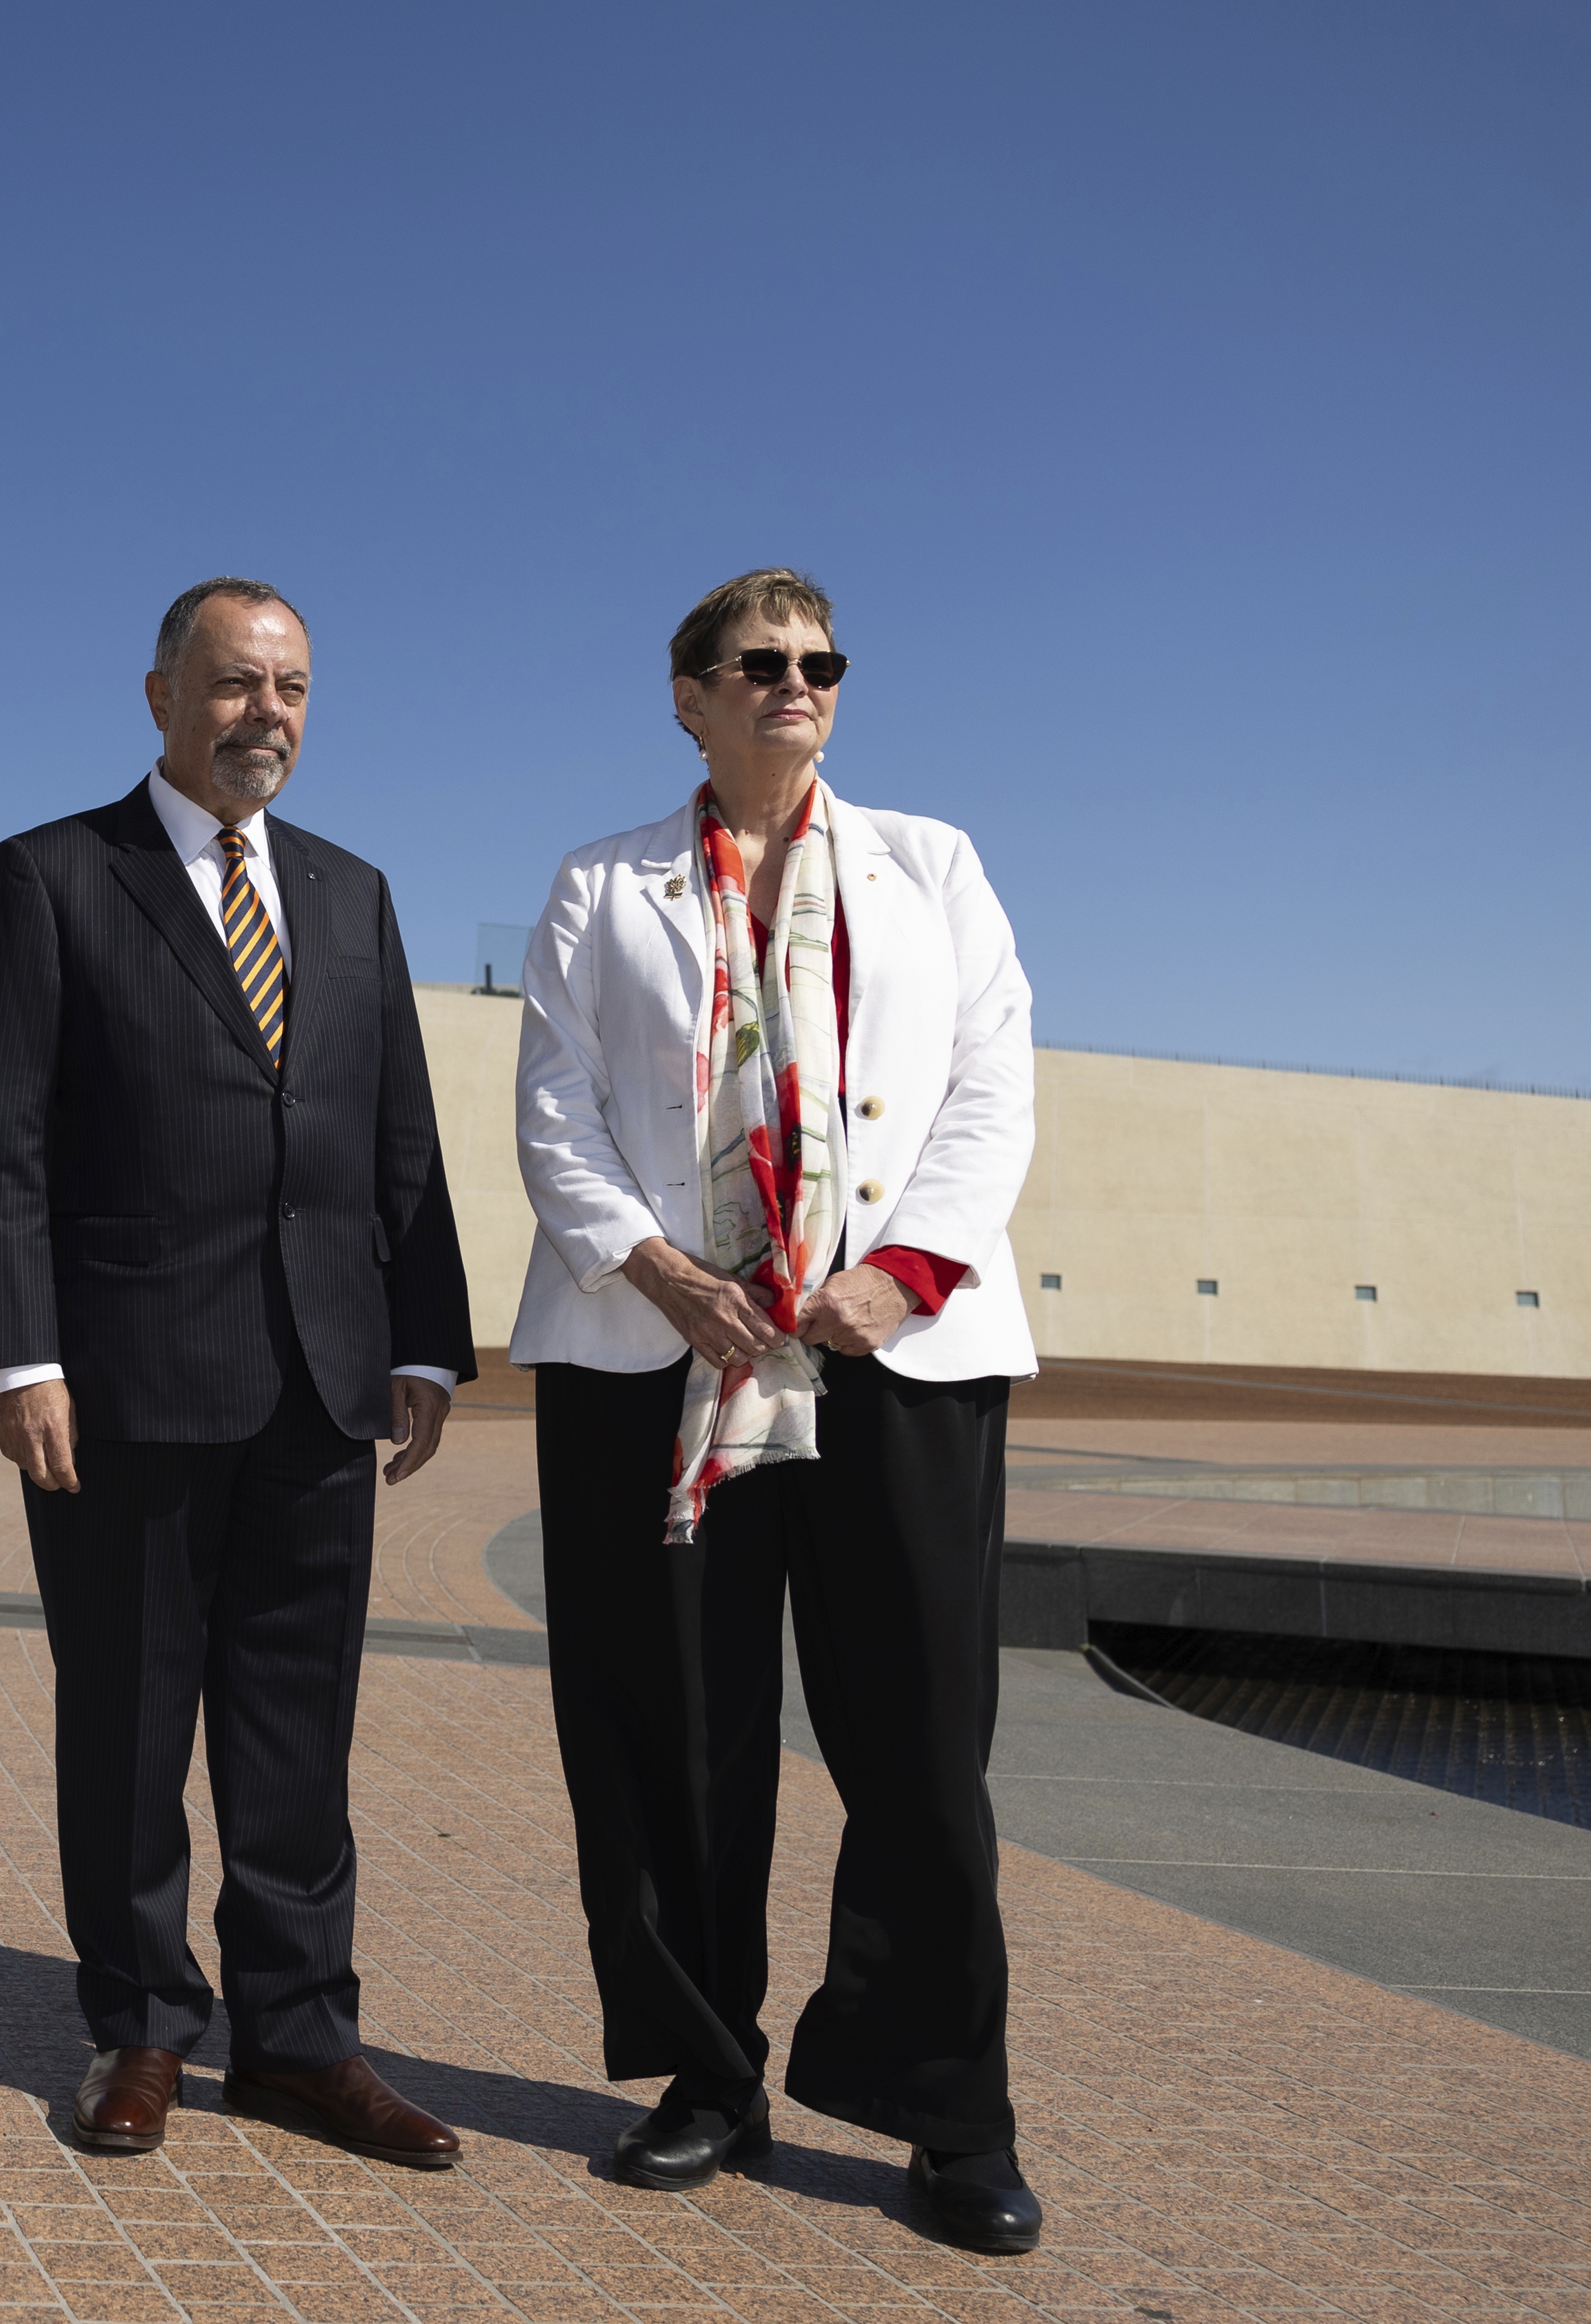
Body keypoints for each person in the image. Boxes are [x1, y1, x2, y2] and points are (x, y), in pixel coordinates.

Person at [510, 568, 1041, 2255]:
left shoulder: (932, 864)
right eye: (757, 661)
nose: (793, 682)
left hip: (892, 1354)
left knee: (922, 1744)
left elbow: (991, 1082)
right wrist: (664, 1273)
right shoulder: (601, 886)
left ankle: (947, 2109)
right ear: (690, 696)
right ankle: (705, 2072)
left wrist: (902, 1275)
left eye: (819, 660)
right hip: (661, 1357)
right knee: (668, 1729)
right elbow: (556, 1109)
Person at [0, 578, 477, 2169]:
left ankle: (301, 2037)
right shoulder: (54, 874)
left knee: (297, 1733)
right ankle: (140, 2025)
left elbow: (396, 1131)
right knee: (125, 1723)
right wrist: (21, 1354)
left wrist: (424, 1335)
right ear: (162, 695)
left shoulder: (351, 891)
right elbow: (3, 1140)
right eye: (239, 682)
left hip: (320, 1379)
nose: (269, 714)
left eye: (292, 687)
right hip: (123, 1386)